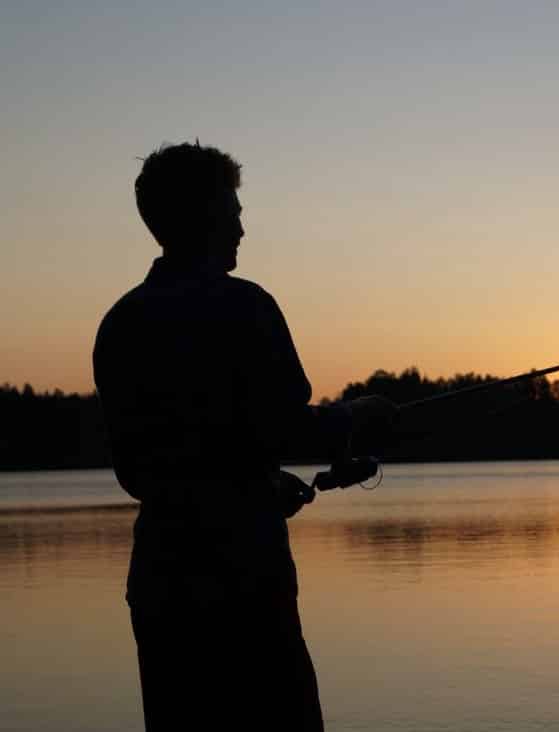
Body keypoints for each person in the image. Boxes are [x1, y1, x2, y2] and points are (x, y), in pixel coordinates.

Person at [93, 142, 395, 731]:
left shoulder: (120, 323)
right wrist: (358, 414)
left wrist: (257, 482)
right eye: (232, 210)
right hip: (245, 584)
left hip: (162, 585)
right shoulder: (245, 305)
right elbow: (285, 426)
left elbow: (144, 470)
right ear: (203, 214)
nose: (241, 226)